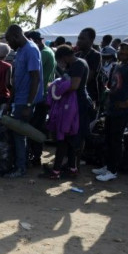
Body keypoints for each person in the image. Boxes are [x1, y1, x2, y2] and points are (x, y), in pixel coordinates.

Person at [93, 37, 128, 182]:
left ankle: (113, 170)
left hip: (122, 110)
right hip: (112, 107)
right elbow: (116, 84)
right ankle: (108, 165)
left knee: (116, 140)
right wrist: (108, 90)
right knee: (109, 138)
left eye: (127, 48)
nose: (123, 51)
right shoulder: (119, 64)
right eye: (122, 48)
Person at [5, 24, 43, 178]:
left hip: (25, 100)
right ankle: (21, 163)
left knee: (19, 134)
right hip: (18, 99)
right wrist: (10, 100)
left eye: (9, 41)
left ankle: (20, 167)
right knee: (18, 134)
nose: (9, 45)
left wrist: (29, 104)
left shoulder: (31, 50)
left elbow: (35, 79)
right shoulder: (20, 50)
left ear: (16, 36)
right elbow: (17, 78)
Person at [47, 44, 89, 179]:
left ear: (64, 57)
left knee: (63, 138)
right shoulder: (80, 62)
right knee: (70, 138)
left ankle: (56, 171)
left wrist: (57, 89)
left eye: (60, 60)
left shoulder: (77, 65)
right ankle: (72, 168)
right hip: (74, 105)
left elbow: (74, 85)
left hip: (74, 106)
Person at [26, 30, 56, 166]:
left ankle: (36, 156)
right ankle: (35, 155)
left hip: (40, 95)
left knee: (35, 127)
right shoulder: (48, 50)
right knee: (37, 126)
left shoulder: (42, 53)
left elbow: (33, 75)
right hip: (44, 94)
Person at [76, 27, 101, 107]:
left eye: (82, 39)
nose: (79, 41)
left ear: (91, 40)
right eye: (79, 38)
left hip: (88, 96)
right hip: (75, 94)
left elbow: (88, 78)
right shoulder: (77, 55)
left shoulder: (95, 55)